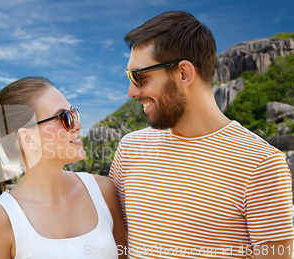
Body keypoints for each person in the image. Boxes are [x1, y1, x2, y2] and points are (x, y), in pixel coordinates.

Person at [110, 11, 294, 258]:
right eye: (129, 76)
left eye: (139, 76)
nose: (131, 91)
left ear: (184, 73)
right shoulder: (130, 149)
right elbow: (119, 244)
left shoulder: (262, 165)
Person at [0, 77, 128, 259]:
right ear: (28, 139)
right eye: (64, 117)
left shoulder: (104, 191)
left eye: (74, 113)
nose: (77, 125)